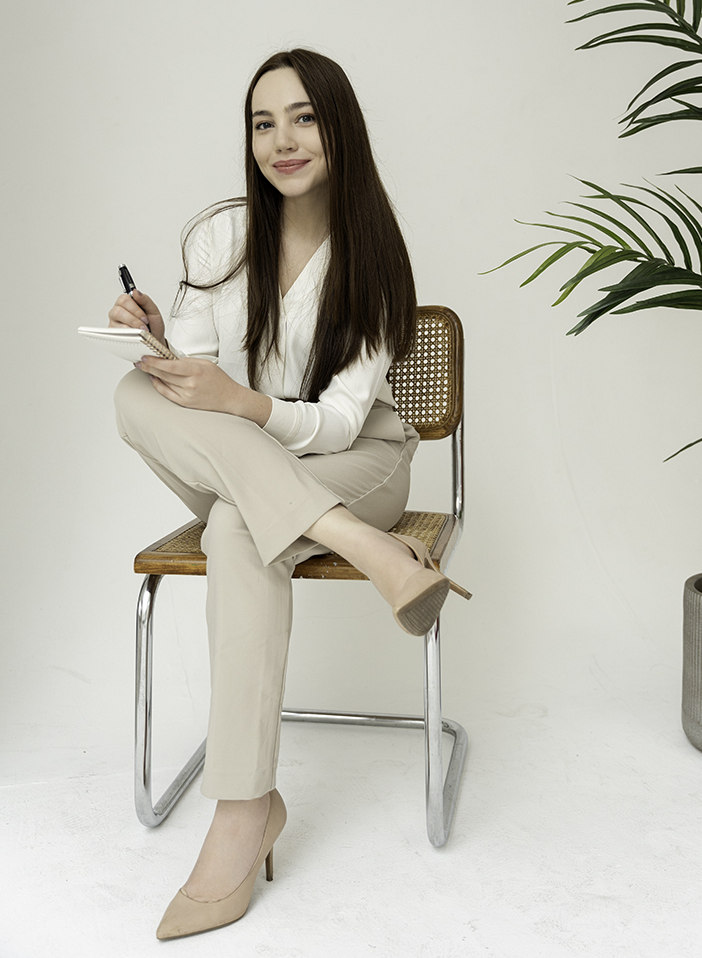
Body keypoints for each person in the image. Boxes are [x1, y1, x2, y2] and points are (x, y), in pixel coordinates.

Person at [110, 48, 470, 941]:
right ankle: (371, 552)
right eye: (264, 122)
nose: (283, 140)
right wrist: (161, 341)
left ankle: (243, 813)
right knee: (129, 393)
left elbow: (346, 425)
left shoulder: (378, 261)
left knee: (241, 525)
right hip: (261, 471)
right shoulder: (219, 235)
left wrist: (243, 403)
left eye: (303, 117)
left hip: (364, 463)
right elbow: (191, 378)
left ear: (339, 126)